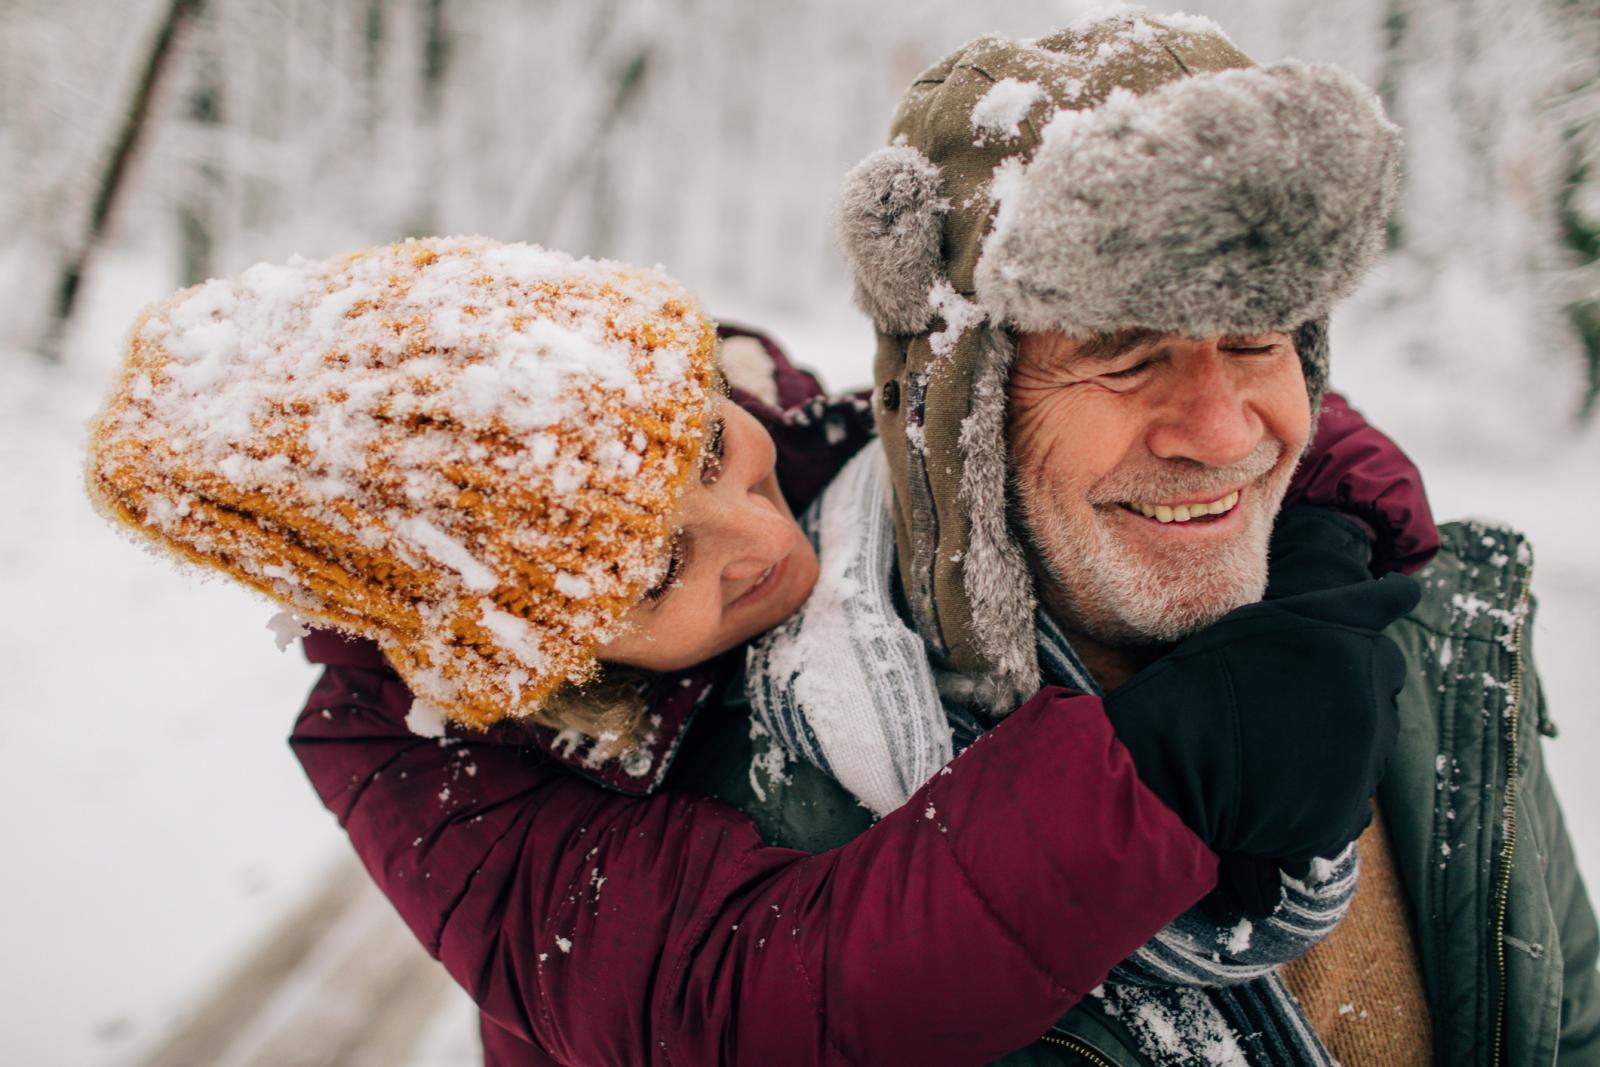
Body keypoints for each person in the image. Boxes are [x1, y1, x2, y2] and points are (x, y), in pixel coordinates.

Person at [91, 235, 1426, 1064]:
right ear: (524, 651)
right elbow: (752, 993)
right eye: (661, 564)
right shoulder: (427, 769)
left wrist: (1318, 545)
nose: (759, 528)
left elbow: (1119, 425)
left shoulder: (784, 413)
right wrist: (1163, 774)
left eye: (714, 449)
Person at [791, 10, 1595, 1064]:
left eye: (1256, 339)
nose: (1222, 430)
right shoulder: (801, 794)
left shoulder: (1440, 650)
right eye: (1125, 359)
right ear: (967, 415)